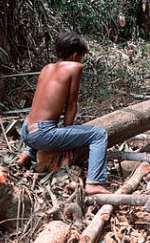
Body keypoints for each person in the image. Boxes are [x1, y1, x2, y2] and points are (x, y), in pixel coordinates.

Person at [17, 32, 111, 195]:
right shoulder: (75, 67)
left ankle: (27, 154)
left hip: (26, 130)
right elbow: (71, 104)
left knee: (43, 120)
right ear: (75, 55)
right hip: (42, 134)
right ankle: (94, 182)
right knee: (99, 134)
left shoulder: (46, 68)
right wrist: (69, 138)